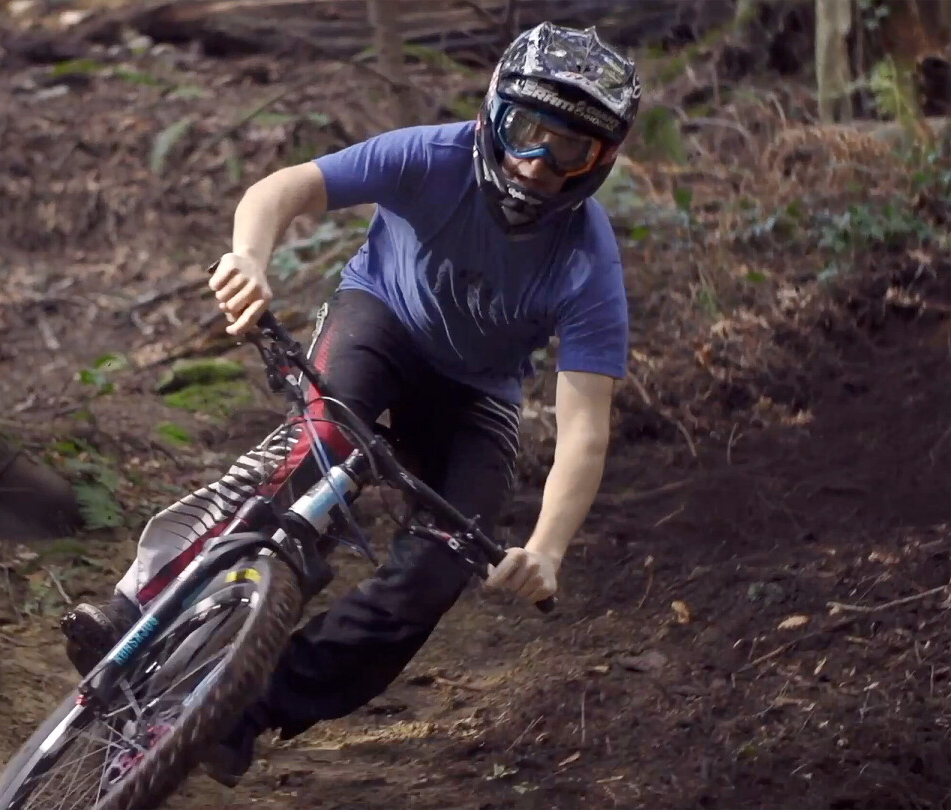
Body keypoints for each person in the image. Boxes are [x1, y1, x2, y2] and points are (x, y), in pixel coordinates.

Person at [60, 22, 641, 788]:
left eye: (572, 150)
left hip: (477, 396)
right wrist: (247, 258)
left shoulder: (587, 259)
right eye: (527, 132)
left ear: (600, 161)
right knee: (320, 441)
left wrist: (549, 549)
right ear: (493, 114)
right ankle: (142, 600)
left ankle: (247, 704)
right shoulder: (430, 157)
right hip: (382, 321)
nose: (539, 164)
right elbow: (283, 190)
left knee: (436, 574)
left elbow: (584, 428)